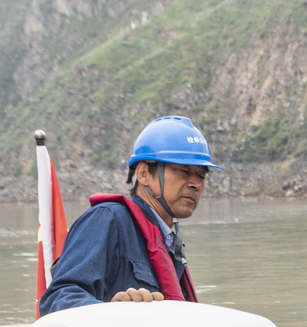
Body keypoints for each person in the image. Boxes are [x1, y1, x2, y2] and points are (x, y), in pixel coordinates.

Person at [38, 116, 223, 315]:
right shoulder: (107, 220)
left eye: (202, 176)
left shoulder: (166, 242)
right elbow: (59, 298)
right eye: (183, 171)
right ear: (144, 174)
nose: (196, 184)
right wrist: (113, 311)